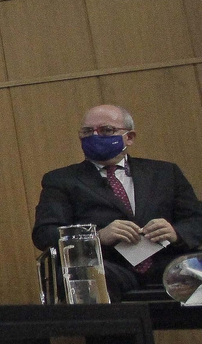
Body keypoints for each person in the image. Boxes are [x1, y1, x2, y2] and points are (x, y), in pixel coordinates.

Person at [32, 105, 202, 303]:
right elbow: (44, 234)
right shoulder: (61, 180)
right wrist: (97, 236)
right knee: (88, 279)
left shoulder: (165, 173)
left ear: (129, 137)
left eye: (106, 130)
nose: (95, 136)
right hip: (108, 267)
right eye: (87, 132)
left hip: (167, 264)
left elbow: (196, 219)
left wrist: (176, 233)